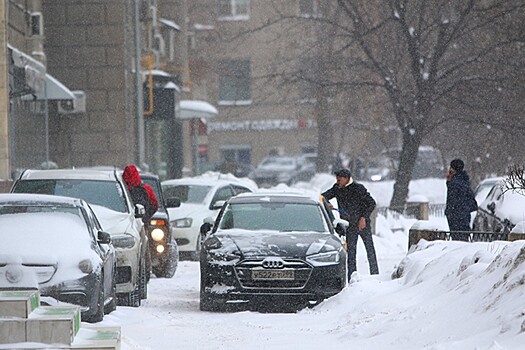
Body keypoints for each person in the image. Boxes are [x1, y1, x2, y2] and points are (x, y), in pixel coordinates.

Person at [322, 168, 378, 279]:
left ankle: (375, 276)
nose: (337, 182)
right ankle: (352, 278)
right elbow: (322, 197)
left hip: (363, 225)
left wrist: (363, 217)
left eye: (340, 179)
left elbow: (372, 203)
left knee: (370, 251)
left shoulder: (358, 188)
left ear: (347, 179)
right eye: (337, 179)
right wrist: (327, 203)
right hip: (348, 226)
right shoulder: (336, 188)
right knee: (351, 254)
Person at [445, 158, 477, 241]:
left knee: (458, 242)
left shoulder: (455, 183)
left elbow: (453, 201)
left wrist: (450, 213)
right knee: (463, 240)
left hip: (457, 218)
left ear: (453, 169)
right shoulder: (464, 180)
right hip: (463, 216)